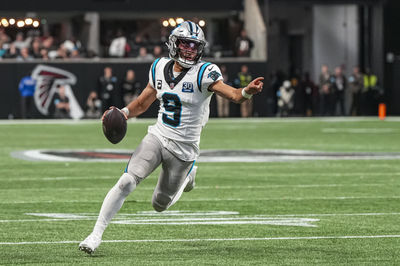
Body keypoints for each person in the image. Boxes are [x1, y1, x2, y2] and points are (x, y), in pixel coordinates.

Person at [79, 21, 264, 254]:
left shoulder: (205, 73)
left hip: (184, 148)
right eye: (185, 44)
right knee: (126, 181)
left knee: (159, 204)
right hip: (158, 135)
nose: (189, 50)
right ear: (174, 44)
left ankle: (187, 178)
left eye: (194, 46)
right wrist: (123, 113)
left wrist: (247, 91)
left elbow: (234, 95)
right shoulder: (159, 67)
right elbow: (142, 103)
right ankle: (95, 235)